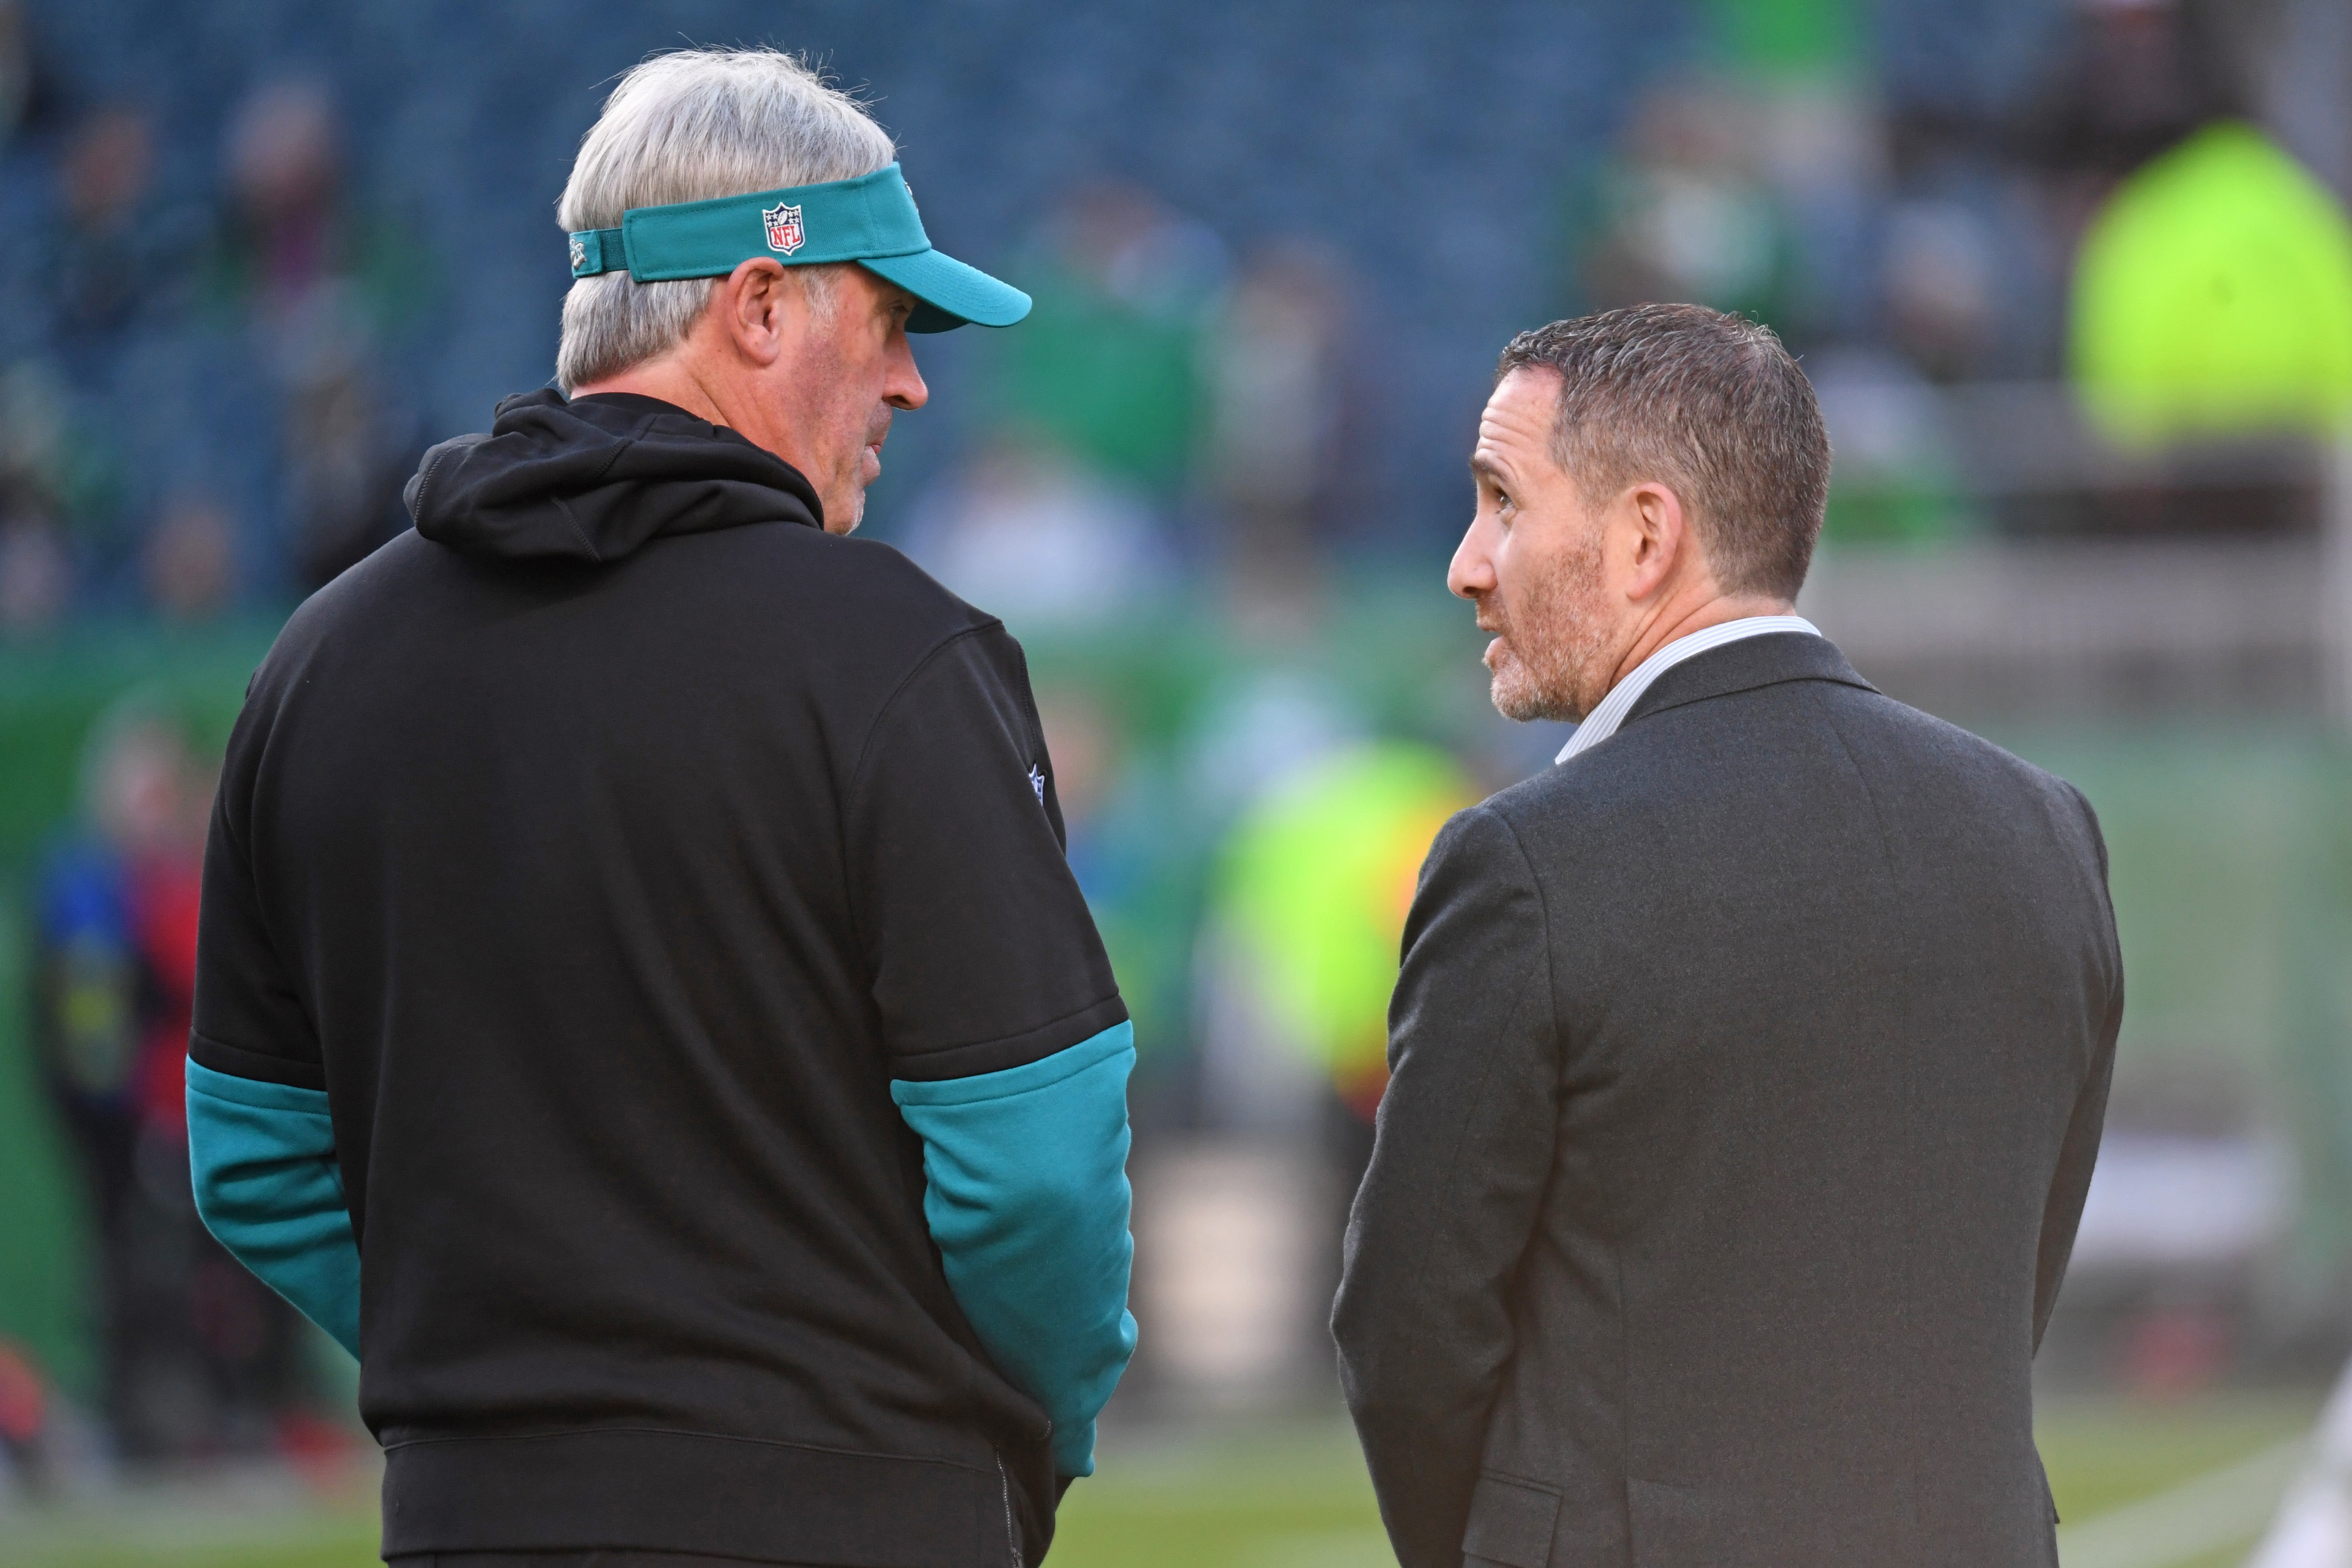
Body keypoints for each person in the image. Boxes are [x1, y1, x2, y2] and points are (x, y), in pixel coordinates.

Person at [184, 49, 1135, 1568]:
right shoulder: (896, 650)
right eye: (887, 319)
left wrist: (517, 1402)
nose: (912, 379)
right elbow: (1035, 1169)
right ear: (756, 305)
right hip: (865, 1507)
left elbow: (251, 1158)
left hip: (474, 1525)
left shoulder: (318, 662)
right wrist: (1025, 1426)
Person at [1331, 303, 2121, 1568]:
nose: (1465, 563)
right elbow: (2005, 1286)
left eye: (1499, 500)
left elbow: (1407, 1335)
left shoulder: (1524, 863)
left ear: (1645, 536)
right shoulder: (2044, 830)